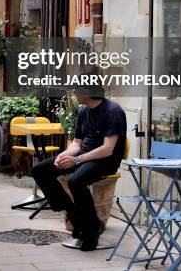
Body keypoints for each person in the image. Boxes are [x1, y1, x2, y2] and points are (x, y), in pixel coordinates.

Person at [31, 88, 127, 251]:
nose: (73, 93)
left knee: (76, 181)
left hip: (104, 161)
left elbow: (108, 149)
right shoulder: (83, 110)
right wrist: (64, 156)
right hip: (83, 156)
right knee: (39, 170)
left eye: (76, 90)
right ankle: (75, 216)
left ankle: (91, 231)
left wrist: (75, 160)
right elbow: (77, 143)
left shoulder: (113, 111)